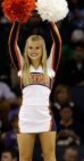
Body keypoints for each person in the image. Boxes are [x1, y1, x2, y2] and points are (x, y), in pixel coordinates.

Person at [8, 20, 62, 161]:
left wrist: (50, 20)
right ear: (26, 50)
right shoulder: (22, 67)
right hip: (26, 116)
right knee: (25, 158)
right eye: (30, 48)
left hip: (45, 117)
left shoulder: (50, 67)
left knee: (50, 157)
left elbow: (57, 42)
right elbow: (12, 43)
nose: (33, 51)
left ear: (43, 50)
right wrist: (17, 21)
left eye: (37, 48)